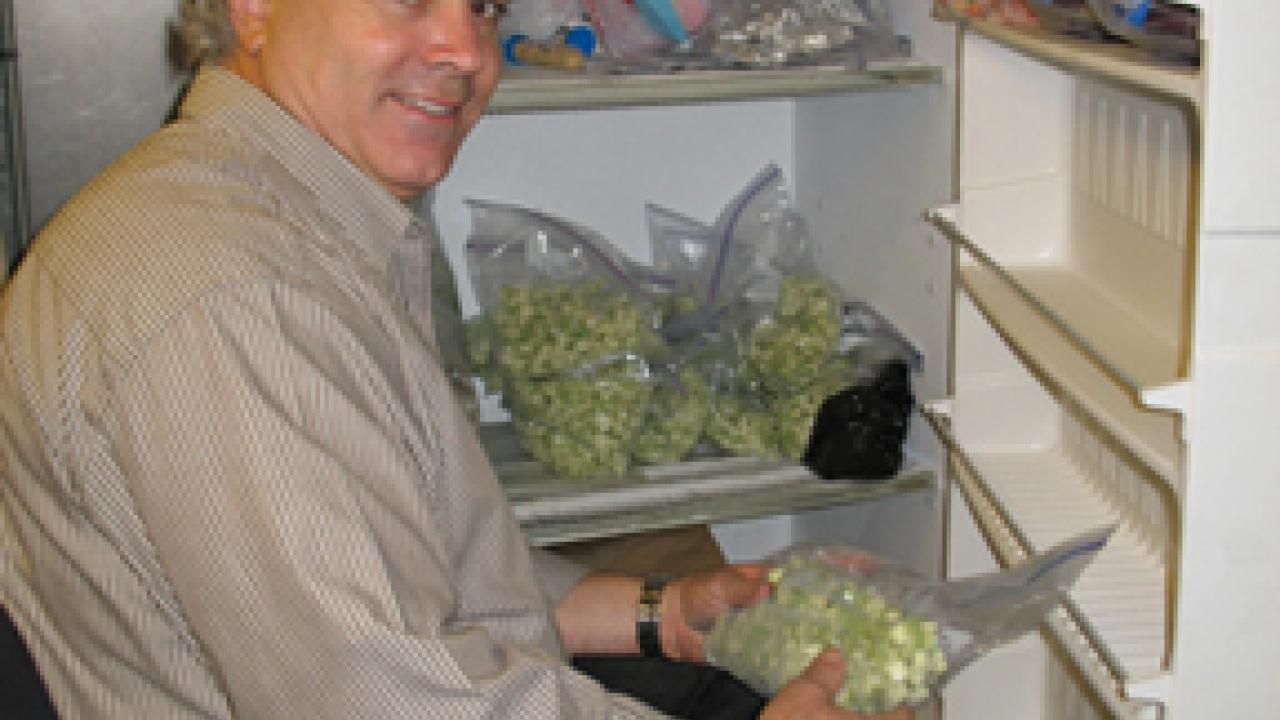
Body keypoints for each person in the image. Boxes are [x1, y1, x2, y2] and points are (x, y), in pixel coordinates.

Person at [0, 0, 913, 718]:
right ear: (253, 8)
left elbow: (397, 562)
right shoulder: (234, 293)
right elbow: (376, 697)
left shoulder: (277, 216)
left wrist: (658, 614)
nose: (467, 52)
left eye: (482, 4)